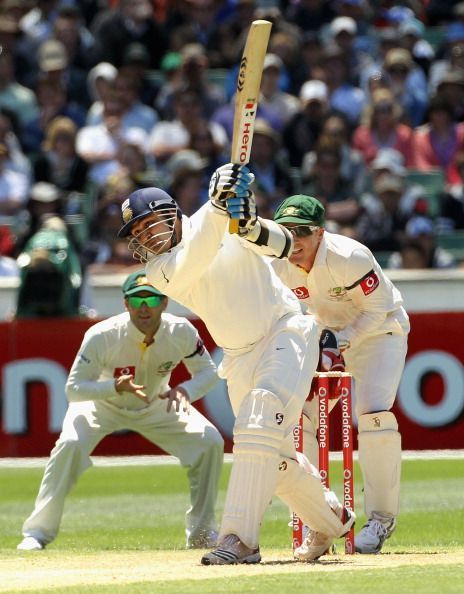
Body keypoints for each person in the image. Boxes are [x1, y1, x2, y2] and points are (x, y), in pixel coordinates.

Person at [116, 168, 355, 565]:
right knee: (270, 459)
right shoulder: (158, 272)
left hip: (286, 331)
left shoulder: (219, 220)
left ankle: (239, 539)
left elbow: (282, 245)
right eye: (136, 236)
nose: (144, 239)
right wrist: (219, 210)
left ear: (172, 213)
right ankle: (332, 519)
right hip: (238, 355)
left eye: (147, 226)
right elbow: (193, 259)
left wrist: (246, 223)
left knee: (258, 422)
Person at [17, 270, 224, 550]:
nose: (143, 307)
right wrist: (114, 387)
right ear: (125, 304)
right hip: (100, 404)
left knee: (210, 442)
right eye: (136, 299)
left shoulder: (181, 331)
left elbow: (208, 373)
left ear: (165, 302)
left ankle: (201, 533)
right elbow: (74, 389)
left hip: (156, 401)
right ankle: (37, 533)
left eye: (151, 299)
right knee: (69, 444)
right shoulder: (102, 334)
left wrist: (185, 391)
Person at [271, 194, 409, 554]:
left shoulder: (350, 256)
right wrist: (321, 345)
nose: (294, 240)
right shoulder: (276, 263)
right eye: (286, 231)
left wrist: (340, 342)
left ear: (320, 233)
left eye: (302, 231)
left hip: (380, 333)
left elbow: (378, 307)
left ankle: (380, 519)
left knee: (374, 417)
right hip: (326, 338)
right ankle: (316, 518)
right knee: (301, 421)